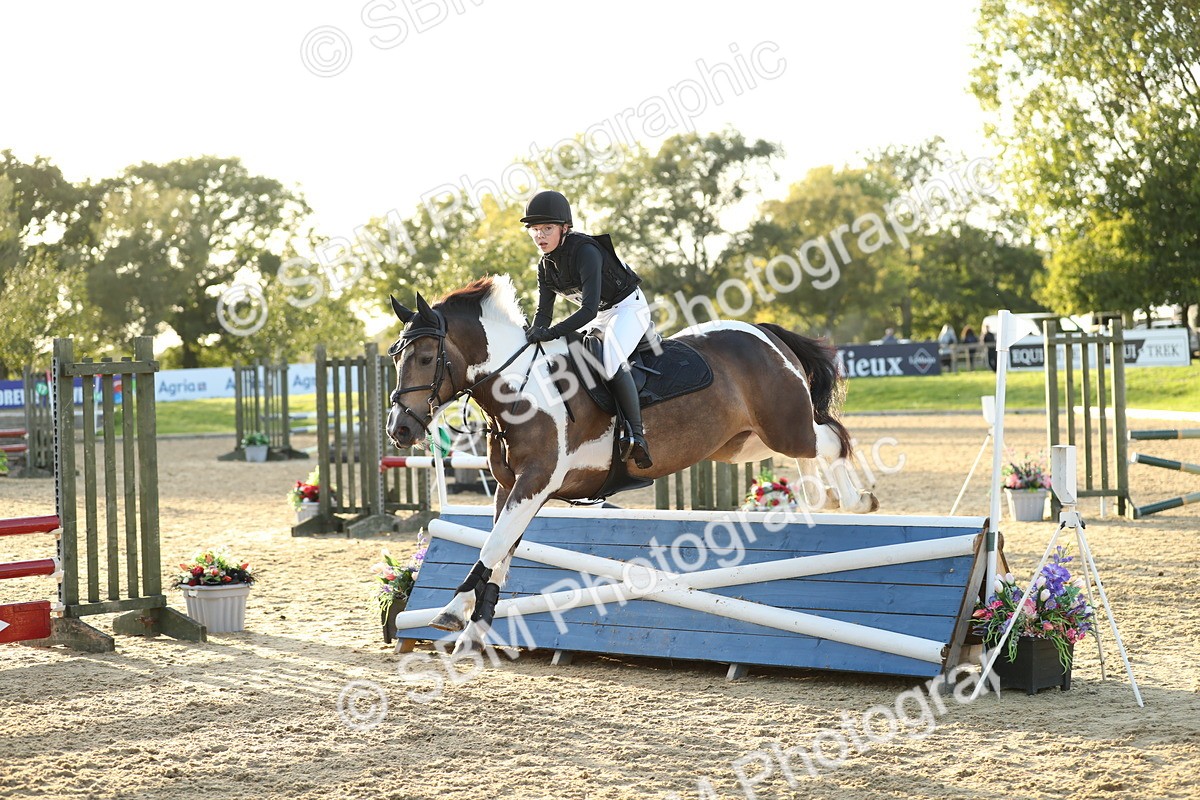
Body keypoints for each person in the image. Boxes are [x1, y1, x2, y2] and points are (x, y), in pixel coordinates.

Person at [521, 190, 654, 469]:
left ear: (564, 228)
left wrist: (551, 332)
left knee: (609, 359)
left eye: (547, 228)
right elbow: (543, 313)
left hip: (629, 308)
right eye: (535, 230)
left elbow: (587, 310)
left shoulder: (585, 251)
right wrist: (533, 334)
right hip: (604, 314)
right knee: (572, 358)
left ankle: (637, 436)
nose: (540, 236)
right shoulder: (545, 266)